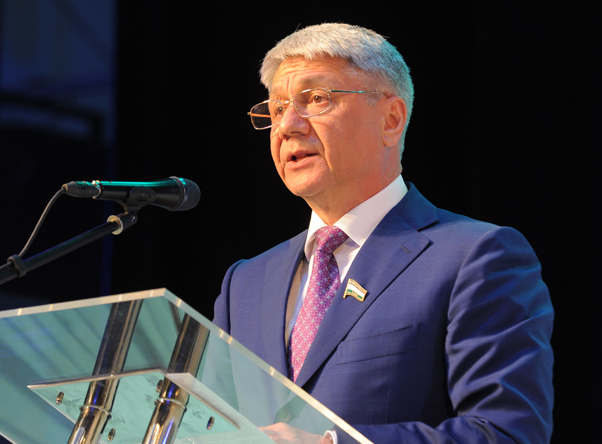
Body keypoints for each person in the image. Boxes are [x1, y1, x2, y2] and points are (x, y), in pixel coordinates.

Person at [212, 23, 554, 444]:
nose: (288, 126)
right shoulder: (245, 284)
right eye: (278, 108)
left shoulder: (475, 257)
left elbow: (505, 432)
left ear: (391, 120)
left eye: (315, 99)